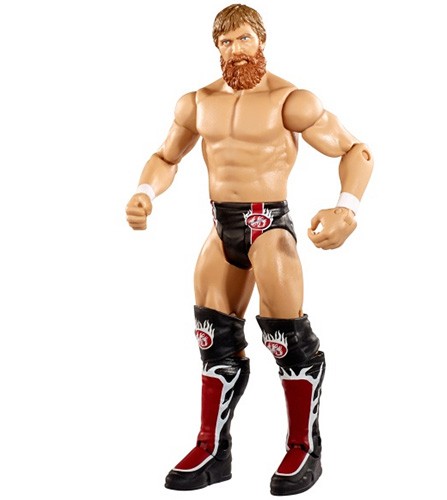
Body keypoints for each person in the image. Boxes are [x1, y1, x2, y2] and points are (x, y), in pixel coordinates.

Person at [126, 4, 373, 496]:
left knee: (287, 338)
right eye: (226, 42)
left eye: (243, 39)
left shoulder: (290, 100)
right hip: (221, 226)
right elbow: (166, 157)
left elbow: (354, 150)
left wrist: (347, 209)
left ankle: (303, 448)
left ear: (261, 40)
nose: (235, 50)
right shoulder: (197, 103)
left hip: (269, 224)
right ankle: (212, 449)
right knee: (211, 336)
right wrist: (145, 192)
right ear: (216, 48)